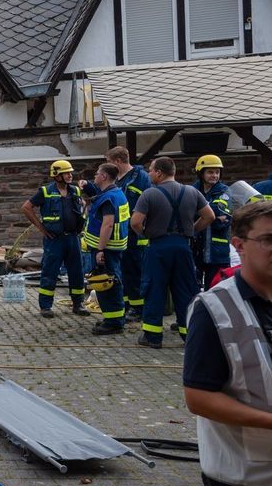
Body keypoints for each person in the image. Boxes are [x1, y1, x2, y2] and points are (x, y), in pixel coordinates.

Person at [183, 201, 272, 486]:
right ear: (239, 244)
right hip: (250, 481)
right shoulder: (214, 308)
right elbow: (198, 398)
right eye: (268, 239)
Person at [130, 156, 216, 348]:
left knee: (154, 289)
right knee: (185, 290)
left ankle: (152, 337)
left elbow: (135, 222)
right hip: (183, 246)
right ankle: (189, 336)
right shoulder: (192, 192)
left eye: (151, 170)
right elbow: (209, 216)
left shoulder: (149, 194)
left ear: (159, 172)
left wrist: (146, 233)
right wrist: (192, 230)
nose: (149, 173)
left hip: (158, 247)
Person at [21, 160, 87, 318]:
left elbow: (83, 206)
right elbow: (26, 207)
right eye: (66, 173)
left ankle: (78, 304)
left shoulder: (75, 191)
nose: (70, 175)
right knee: (50, 271)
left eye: (70, 172)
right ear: (57, 175)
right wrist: (41, 228)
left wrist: (82, 219)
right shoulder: (45, 191)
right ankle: (45, 306)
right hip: (54, 240)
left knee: (77, 272)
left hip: (72, 238)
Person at [104, 146, 153, 320]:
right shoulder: (117, 180)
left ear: (117, 161)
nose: (108, 165)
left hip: (136, 235)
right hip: (121, 234)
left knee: (135, 273)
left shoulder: (141, 178)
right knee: (123, 272)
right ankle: (125, 304)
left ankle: (138, 309)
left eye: (109, 162)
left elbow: (149, 205)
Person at [82, 164, 130, 335]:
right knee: (109, 282)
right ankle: (112, 318)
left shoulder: (108, 198)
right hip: (113, 247)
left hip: (106, 248)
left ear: (103, 176)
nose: (94, 177)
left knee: (107, 283)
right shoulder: (116, 194)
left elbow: (107, 224)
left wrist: (101, 249)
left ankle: (115, 322)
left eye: (96, 174)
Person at [192, 155, 233, 290]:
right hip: (196, 249)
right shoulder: (192, 190)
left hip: (217, 253)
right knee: (193, 289)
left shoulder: (224, 191)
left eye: (217, 172)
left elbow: (222, 220)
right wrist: (210, 212)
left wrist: (201, 211)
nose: (214, 175)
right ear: (201, 173)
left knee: (216, 290)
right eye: (210, 172)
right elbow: (188, 213)